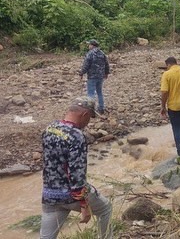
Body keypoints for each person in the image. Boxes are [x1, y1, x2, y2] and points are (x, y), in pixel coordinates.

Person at [40, 97, 112, 239]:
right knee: (105, 209)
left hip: (49, 194)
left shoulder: (50, 128)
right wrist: (84, 204)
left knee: (46, 237)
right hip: (70, 195)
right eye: (90, 117)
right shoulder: (76, 136)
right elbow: (77, 173)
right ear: (84, 115)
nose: (88, 122)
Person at [80, 39, 110, 115]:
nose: (88, 46)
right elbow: (106, 64)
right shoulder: (102, 53)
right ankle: (101, 108)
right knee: (99, 92)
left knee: (90, 94)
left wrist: (81, 73)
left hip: (92, 76)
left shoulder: (90, 54)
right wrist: (106, 73)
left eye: (89, 44)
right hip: (100, 76)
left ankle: (91, 111)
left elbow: (86, 65)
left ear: (92, 45)